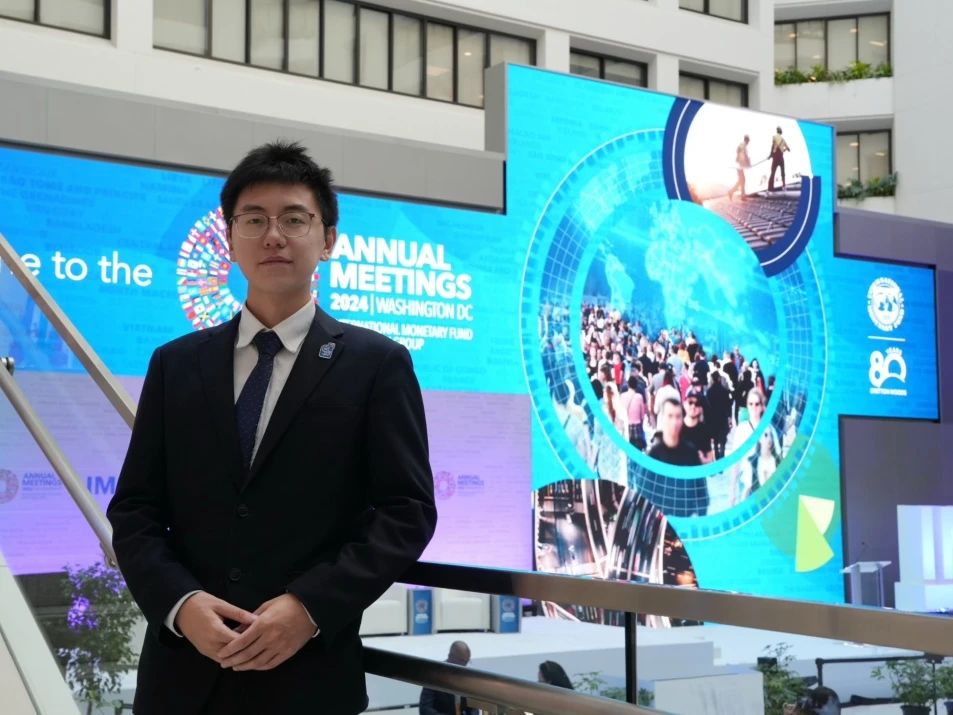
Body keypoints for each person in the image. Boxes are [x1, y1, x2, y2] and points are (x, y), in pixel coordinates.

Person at [107, 141, 438, 715]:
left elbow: (406, 512)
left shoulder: (376, 364)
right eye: (254, 220)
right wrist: (180, 604)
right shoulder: (175, 364)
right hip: (181, 681)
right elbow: (135, 510)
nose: (273, 236)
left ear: (327, 240)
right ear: (230, 239)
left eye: (294, 219)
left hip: (307, 680)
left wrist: (310, 608)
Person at [419, 642, 478, 715]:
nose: (464, 665)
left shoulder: (467, 677)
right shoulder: (434, 675)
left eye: (466, 661)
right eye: (461, 661)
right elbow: (425, 710)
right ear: (450, 656)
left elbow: (473, 708)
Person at [681, 388, 714, 464]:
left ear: (701, 408)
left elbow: (710, 458)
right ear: (684, 404)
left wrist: (703, 460)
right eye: (690, 402)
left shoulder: (704, 430)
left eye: (697, 404)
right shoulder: (677, 427)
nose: (693, 406)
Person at [728, 134, 751, 202]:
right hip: (739, 165)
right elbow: (743, 154)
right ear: (746, 140)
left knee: (741, 180)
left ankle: (733, 192)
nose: (748, 143)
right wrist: (747, 162)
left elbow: (740, 153)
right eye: (748, 141)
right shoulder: (743, 145)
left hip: (739, 165)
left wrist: (746, 163)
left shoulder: (742, 145)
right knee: (742, 180)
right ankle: (739, 195)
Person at [768, 125, 791, 192]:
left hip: (775, 157)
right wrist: (785, 149)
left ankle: (770, 188)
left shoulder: (774, 137)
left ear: (777, 131)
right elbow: (788, 149)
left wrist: (770, 155)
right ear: (781, 132)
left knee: (773, 172)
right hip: (780, 157)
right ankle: (784, 186)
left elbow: (772, 146)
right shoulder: (783, 140)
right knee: (782, 172)